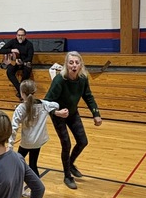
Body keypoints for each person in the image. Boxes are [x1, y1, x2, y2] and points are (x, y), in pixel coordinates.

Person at [44, 52, 103, 190]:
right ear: (66, 64)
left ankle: (70, 163)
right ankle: (67, 175)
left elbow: (88, 96)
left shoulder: (82, 78)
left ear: (81, 64)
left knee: (83, 141)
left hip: (72, 112)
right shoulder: (59, 80)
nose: (74, 65)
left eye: (77, 62)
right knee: (66, 144)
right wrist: (56, 112)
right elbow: (46, 102)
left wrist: (96, 114)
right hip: (58, 114)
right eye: (71, 62)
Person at [9, 80, 66, 197]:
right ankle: (37, 189)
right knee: (33, 164)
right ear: (34, 92)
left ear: (22, 93)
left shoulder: (21, 108)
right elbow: (55, 105)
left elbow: (14, 127)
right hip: (38, 142)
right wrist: (57, 112)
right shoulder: (43, 104)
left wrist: (10, 145)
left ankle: (19, 190)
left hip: (26, 142)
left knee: (17, 164)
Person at [0, 28, 34, 99]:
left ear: (25, 36)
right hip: (15, 62)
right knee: (9, 71)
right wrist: (11, 50)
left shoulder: (29, 44)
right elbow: (1, 50)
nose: (20, 37)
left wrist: (21, 62)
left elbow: (30, 58)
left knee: (28, 70)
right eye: (19, 35)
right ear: (16, 35)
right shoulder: (13, 42)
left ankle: (20, 91)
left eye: (22, 35)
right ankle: (20, 90)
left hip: (24, 63)